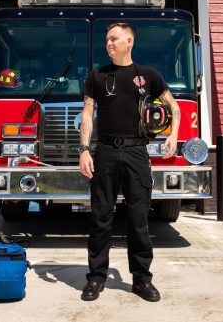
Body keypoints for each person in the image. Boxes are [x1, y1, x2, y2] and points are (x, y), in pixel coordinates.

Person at [78, 22, 181, 302]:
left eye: (114, 39)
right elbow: (87, 114)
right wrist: (84, 149)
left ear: (129, 41)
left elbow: (174, 106)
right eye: (107, 40)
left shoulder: (148, 75)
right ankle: (96, 278)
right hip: (106, 152)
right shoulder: (97, 75)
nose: (108, 43)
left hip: (137, 154)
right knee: (101, 218)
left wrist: (173, 135)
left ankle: (141, 280)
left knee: (138, 219)